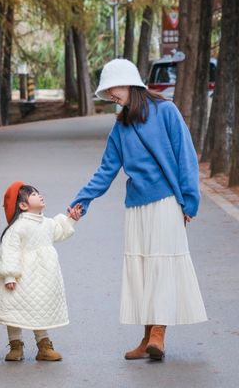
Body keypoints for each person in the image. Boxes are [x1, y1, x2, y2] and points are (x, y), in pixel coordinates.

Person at [69, 58, 207, 361]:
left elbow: (186, 158)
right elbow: (105, 171)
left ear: (128, 83)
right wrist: (82, 200)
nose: (110, 97)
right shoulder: (121, 126)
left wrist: (190, 201)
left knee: (161, 266)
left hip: (166, 202)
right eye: (106, 93)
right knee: (143, 268)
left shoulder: (166, 111)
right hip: (136, 205)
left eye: (112, 90)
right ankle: (146, 338)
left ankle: (159, 332)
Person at [0, 181, 82, 362]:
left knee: (39, 308)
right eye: (33, 194)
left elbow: (59, 231)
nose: (39, 195)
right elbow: (9, 251)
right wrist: (9, 275)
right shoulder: (18, 227)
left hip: (40, 275)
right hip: (20, 275)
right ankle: (15, 345)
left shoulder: (46, 222)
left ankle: (44, 346)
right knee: (13, 308)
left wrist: (71, 219)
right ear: (23, 205)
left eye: (38, 192)